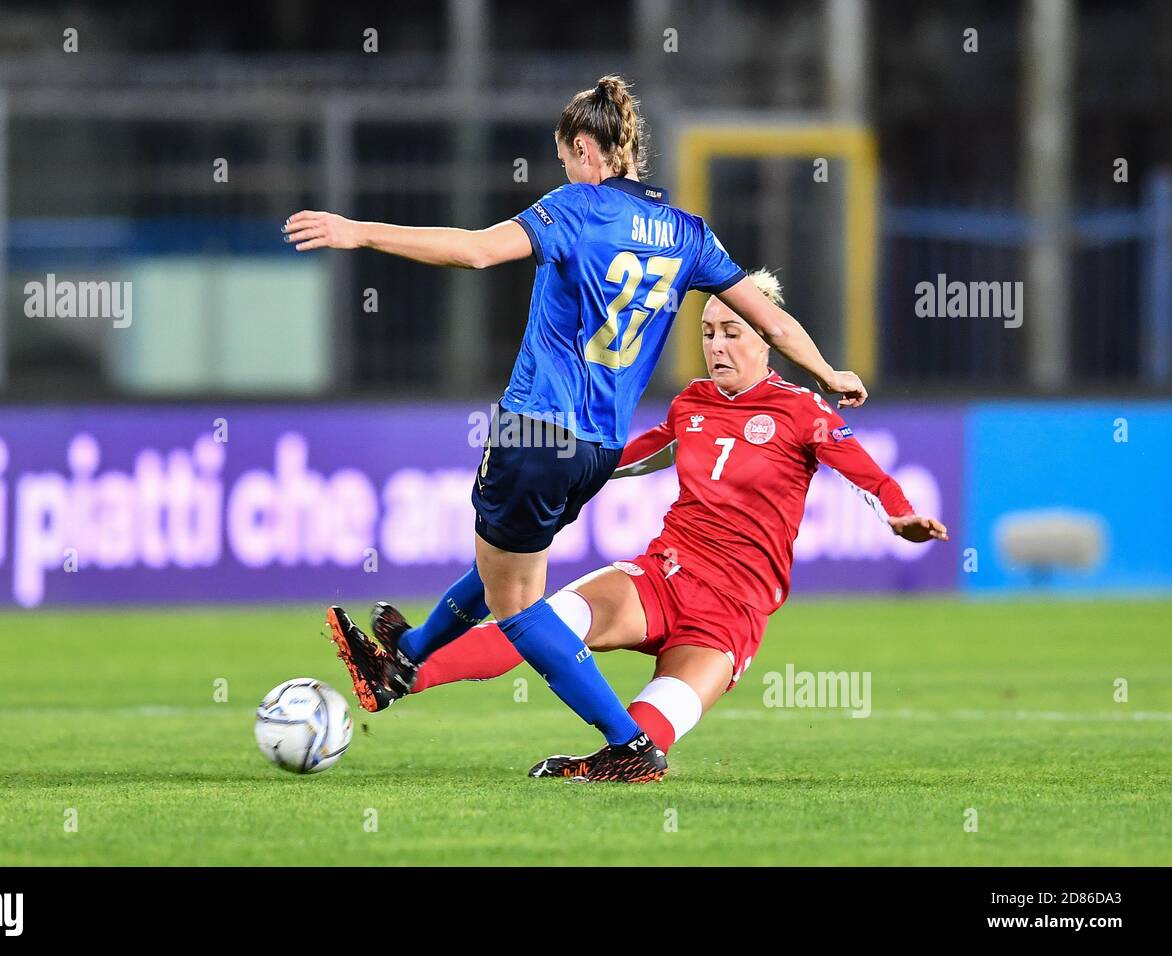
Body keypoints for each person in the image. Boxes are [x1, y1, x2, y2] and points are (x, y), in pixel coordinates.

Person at [285, 75, 866, 779]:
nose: (563, 168)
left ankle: (629, 744)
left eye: (564, 155)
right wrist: (829, 372)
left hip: (536, 431)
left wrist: (360, 232)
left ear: (586, 148)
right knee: (508, 564)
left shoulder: (575, 208)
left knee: (520, 606)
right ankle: (403, 659)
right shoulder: (689, 233)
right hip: (594, 448)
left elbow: (473, 251)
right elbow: (770, 320)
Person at [360, 277, 947, 781]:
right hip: (662, 576)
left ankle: (601, 762)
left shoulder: (803, 412)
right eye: (708, 332)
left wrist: (899, 516)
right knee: (537, 619)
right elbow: (634, 456)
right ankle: (399, 676)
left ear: (767, 338)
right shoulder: (692, 403)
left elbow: (867, 475)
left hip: (732, 614)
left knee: (646, 742)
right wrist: (562, 469)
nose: (716, 345)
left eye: (732, 332)